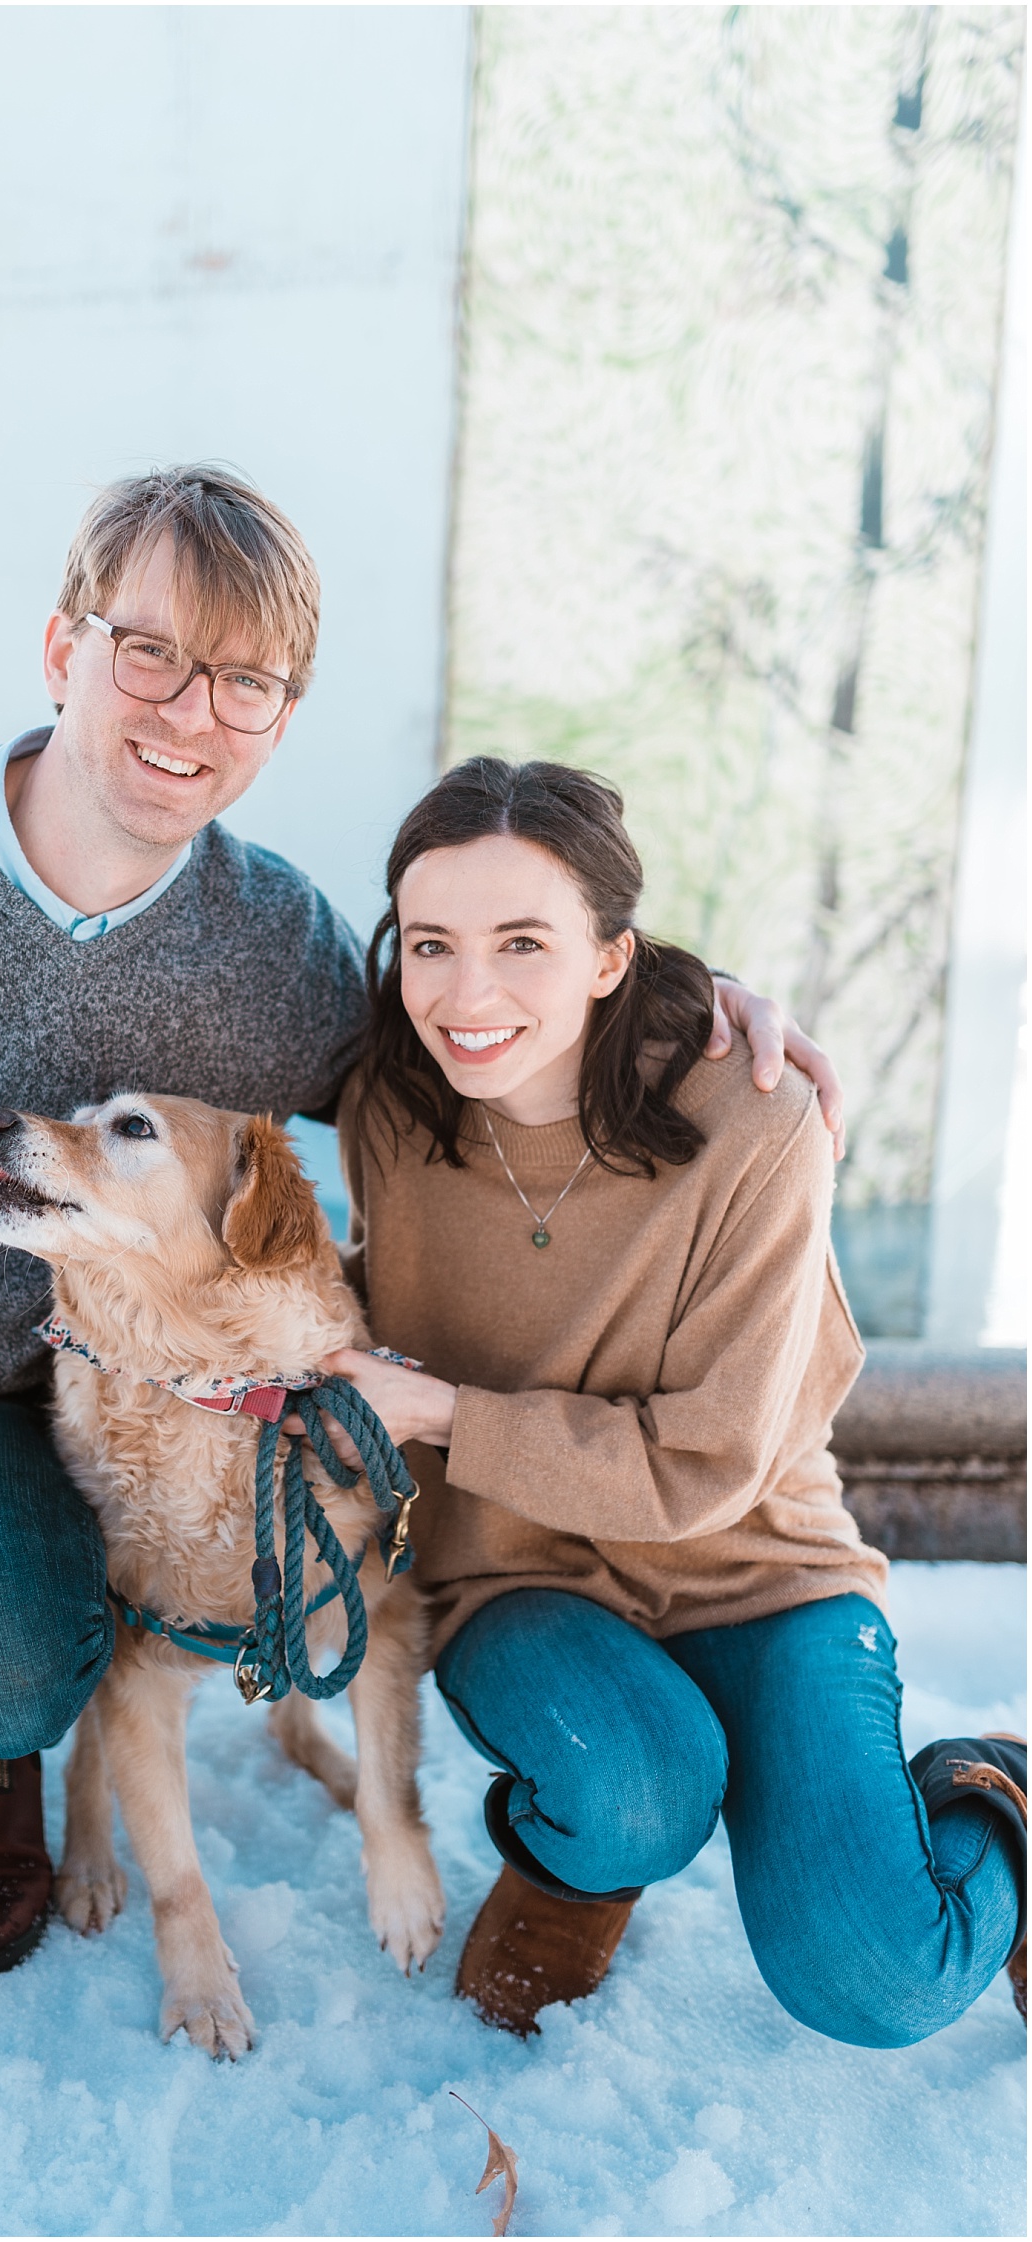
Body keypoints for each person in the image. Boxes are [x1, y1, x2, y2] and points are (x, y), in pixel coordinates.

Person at [0, 467, 844, 2091]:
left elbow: (488, 1033)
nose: (188, 712)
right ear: (60, 647)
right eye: (149, 651)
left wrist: (683, 1003)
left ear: (281, 718)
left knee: (22, 1641)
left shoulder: (270, 947)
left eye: (245, 680)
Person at [319, 755, 1025, 2050]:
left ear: (608, 957)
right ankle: (582, 1863)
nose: (467, 995)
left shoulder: (758, 1118)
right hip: (517, 1572)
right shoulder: (383, 1098)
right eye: (432, 943)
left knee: (879, 1976)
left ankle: (1002, 1797)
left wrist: (442, 1414)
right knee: (635, 1780)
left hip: (753, 1565)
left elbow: (705, 1466)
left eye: (524, 941)